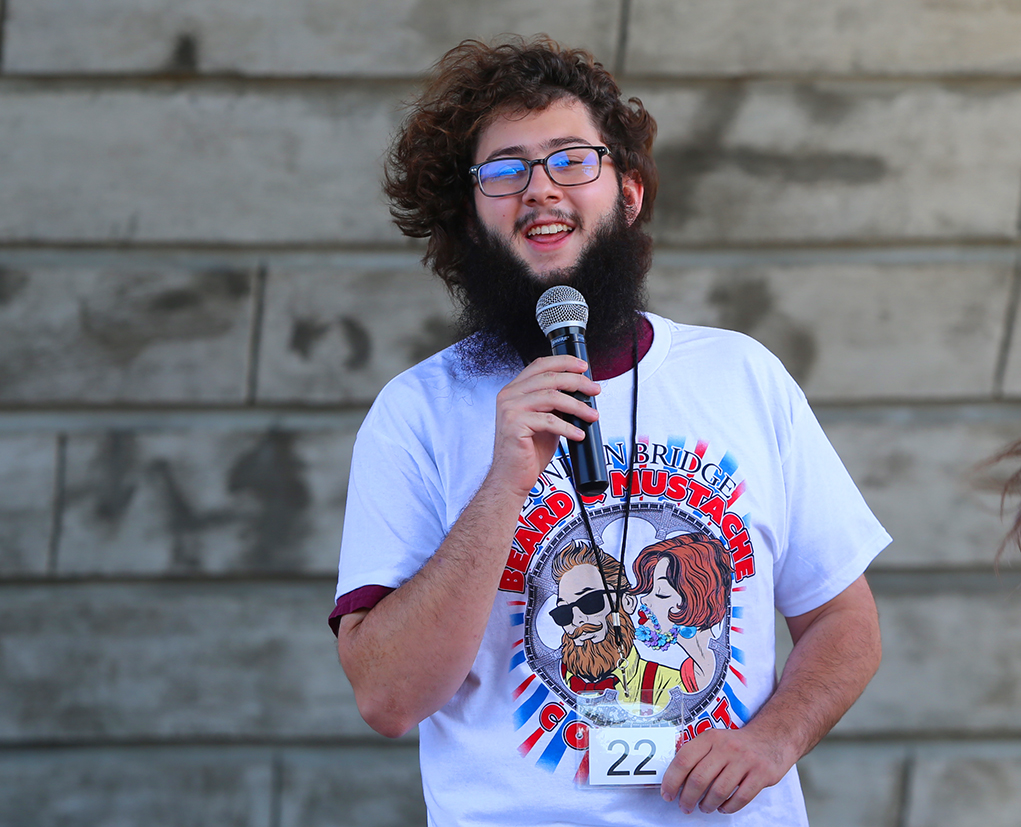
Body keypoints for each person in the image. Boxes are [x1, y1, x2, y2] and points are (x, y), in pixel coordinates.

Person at [332, 36, 890, 825]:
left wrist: (770, 741)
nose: (539, 190)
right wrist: (504, 485)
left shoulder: (741, 376)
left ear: (627, 192)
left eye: (570, 159)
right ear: (469, 213)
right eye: (503, 170)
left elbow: (844, 620)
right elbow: (387, 697)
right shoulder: (415, 412)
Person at [630, 533, 733, 693]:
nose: (644, 600)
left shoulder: (712, 668)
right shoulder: (689, 672)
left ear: (693, 602)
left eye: (660, 592)